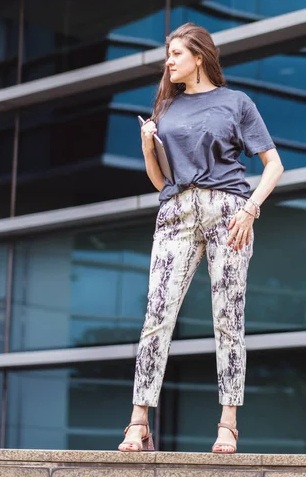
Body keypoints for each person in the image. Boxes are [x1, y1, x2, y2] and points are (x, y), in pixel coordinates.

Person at [118, 23, 284, 454]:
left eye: (175, 53)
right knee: (156, 315)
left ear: (199, 56)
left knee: (228, 319)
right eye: (167, 54)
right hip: (175, 214)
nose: (168, 61)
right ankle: (138, 422)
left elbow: (273, 165)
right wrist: (147, 146)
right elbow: (161, 182)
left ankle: (227, 423)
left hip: (229, 214)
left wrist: (251, 209)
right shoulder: (166, 107)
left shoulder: (236, 103)